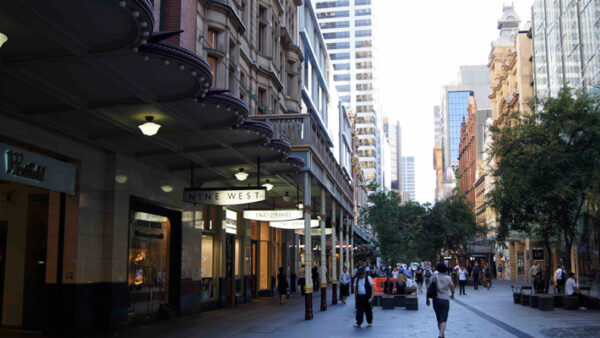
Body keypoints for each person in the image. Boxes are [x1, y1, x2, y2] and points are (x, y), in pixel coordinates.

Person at [426, 263, 455, 338]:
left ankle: (442, 334)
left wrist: (427, 299)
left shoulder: (434, 277)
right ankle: (440, 334)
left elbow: (428, 288)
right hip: (445, 299)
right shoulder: (448, 278)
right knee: (444, 318)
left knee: (439, 318)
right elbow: (452, 287)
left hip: (436, 299)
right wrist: (452, 295)